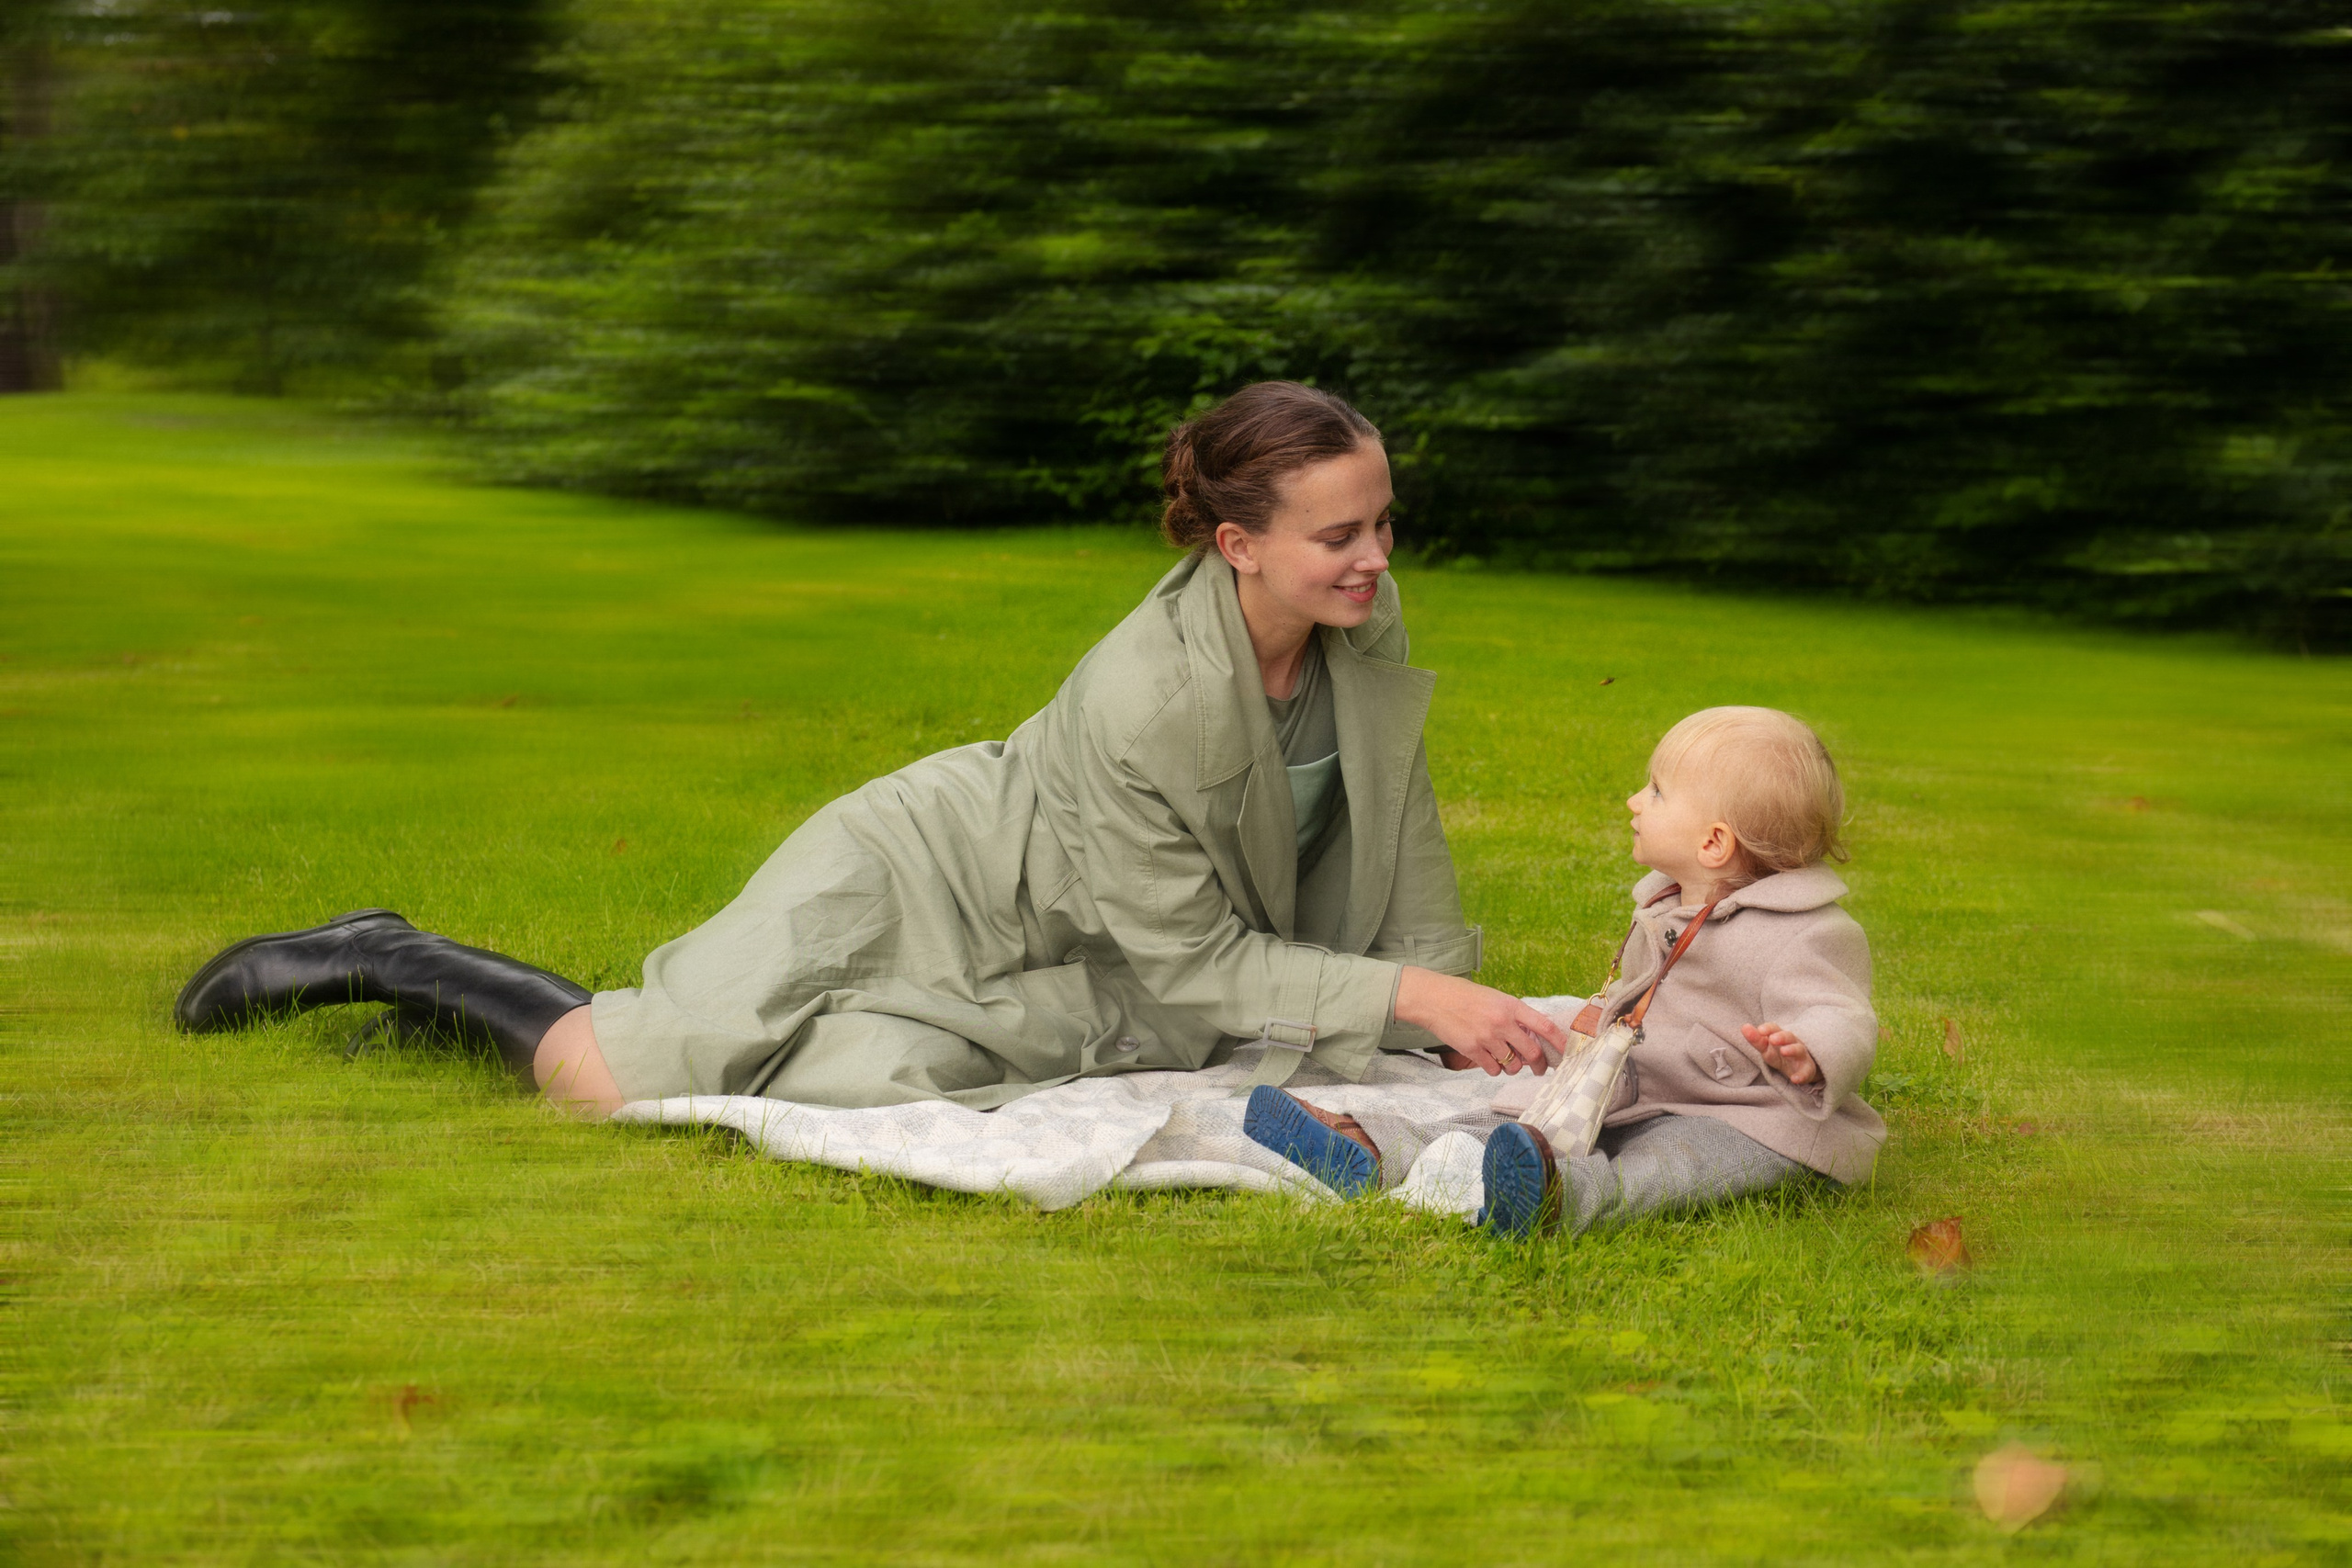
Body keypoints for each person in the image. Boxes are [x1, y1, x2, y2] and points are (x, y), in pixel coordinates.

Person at [175, 382, 1567, 1115]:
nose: (1378, 557)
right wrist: (1410, 1000)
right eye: (1343, 534)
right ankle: (386, 954)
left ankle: (426, 1008)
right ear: (1237, 542)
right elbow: (1200, 964)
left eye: (1385, 522)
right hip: (929, 872)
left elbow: (1397, 841)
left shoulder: (1356, 627)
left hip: (1082, 954)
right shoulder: (1145, 695)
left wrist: (1441, 1006)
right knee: (629, 1075)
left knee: (838, 1081)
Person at [1243, 705, 1883, 1238]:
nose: (1636, 800)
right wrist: (1578, 1025)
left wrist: (1810, 1052)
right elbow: (1636, 998)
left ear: (1714, 842)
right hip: (1649, 1084)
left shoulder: (1807, 931)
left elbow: (1842, 1014)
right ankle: (1375, 1148)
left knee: (1671, 1164)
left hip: (1746, 1115)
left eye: (1657, 791)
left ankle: (1556, 1197)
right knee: (1525, 1123)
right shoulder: (1666, 902)